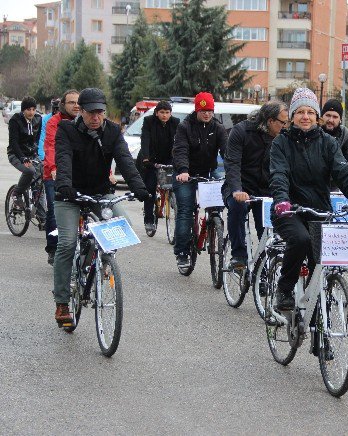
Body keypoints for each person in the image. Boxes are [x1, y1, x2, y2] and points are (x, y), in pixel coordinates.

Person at [52, 88, 150, 327]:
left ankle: (102, 261)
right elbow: (63, 159)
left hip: (99, 192)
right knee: (66, 243)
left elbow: (125, 161)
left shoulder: (113, 131)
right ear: (81, 112)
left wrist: (140, 188)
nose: (96, 117)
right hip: (70, 194)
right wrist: (64, 185)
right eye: (91, 113)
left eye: (100, 113)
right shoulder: (66, 130)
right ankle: (63, 302)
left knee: (122, 225)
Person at [269, 88, 348, 310]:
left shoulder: (328, 143)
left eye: (310, 112)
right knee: (300, 240)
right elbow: (279, 175)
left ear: (317, 117)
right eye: (300, 112)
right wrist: (281, 200)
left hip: (319, 210)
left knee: (321, 260)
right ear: (292, 116)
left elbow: (344, 175)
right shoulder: (281, 143)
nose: (305, 117)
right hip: (290, 211)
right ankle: (285, 289)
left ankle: (316, 321)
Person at [223, 100, 288, 269]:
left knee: (267, 230)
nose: (285, 126)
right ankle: (238, 255)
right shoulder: (241, 131)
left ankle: (265, 270)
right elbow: (232, 163)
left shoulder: (283, 137)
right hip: (241, 187)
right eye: (282, 122)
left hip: (266, 190)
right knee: (237, 208)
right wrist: (237, 189)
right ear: (270, 121)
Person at [172, 92, 228, 268]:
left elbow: (227, 152)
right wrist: (183, 170)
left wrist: (234, 171)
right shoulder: (185, 127)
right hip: (186, 174)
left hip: (208, 171)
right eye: (203, 110)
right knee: (185, 211)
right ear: (197, 110)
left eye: (210, 110)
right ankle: (182, 252)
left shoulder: (218, 128)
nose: (207, 114)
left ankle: (214, 225)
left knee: (221, 201)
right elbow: (180, 150)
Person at [43, 90, 80, 265]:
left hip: (77, 174)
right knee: (54, 211)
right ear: (63, 105)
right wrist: (54, 168)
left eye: (78, 102)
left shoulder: (85, 121)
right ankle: (52, 248)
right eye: (71, 102)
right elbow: (51, 147)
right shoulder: (53, 122)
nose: (76, 105)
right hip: (54, 173)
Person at [139, 100, 180, 233]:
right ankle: (149, 220)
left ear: (170, 113)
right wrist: (146, 158)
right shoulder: (149, 121)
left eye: (167, 112)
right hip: (151, 159)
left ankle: (170, 199)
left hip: (168, 157)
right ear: (156, 113)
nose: (164, 115)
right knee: (150, 190)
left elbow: (178, 142)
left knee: (169, 185)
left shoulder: (175, 122)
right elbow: (145, 139)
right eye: (162, 112)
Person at [7, 96, 42, 208]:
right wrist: (22, 157)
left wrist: (37, 153)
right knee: (30, 170)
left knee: (43, 172)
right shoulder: (15, 120)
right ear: (23, 110)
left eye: (33, 109)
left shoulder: (38, 119)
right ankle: (16, 193)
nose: (31, 112)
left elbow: (37, 139)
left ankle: (42, 217)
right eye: (28, 109)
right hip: (16, 154)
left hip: (31, 154)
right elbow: (14, 143)